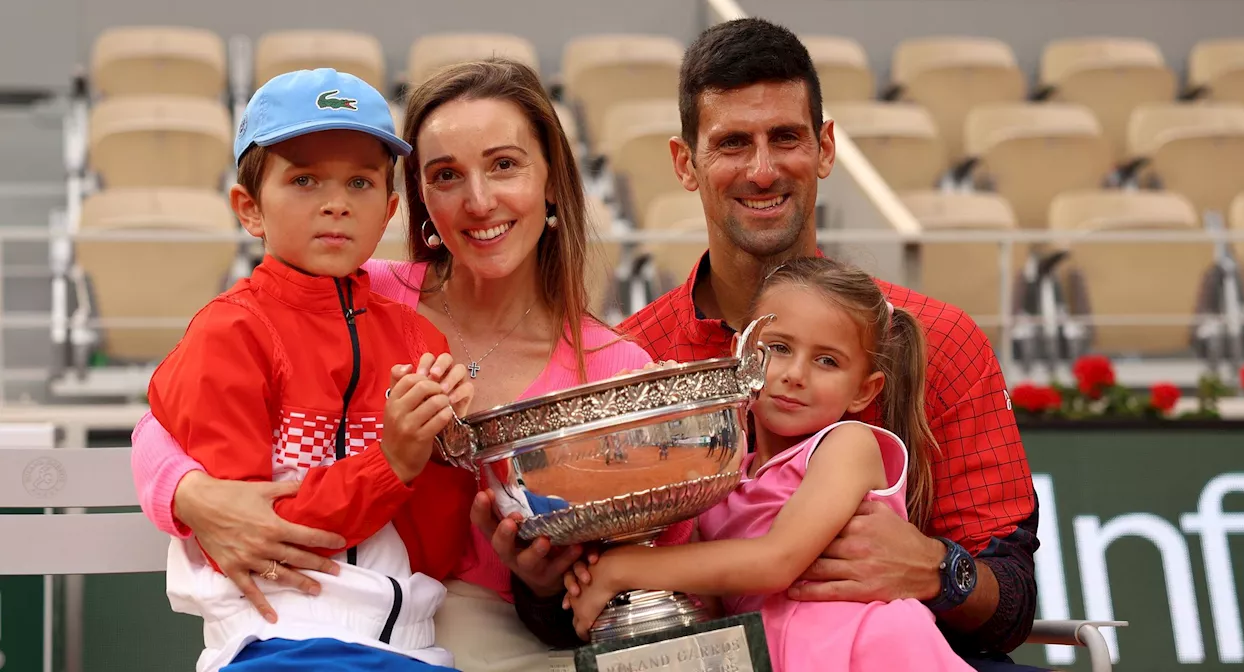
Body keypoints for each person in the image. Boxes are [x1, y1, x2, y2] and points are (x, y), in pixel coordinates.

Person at [503, 17, 1043, 671]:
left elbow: (1012, 605)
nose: (762, 170)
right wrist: (540, 583)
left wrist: (937, 569)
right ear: (685, 163)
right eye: (732, 143)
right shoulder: (631, 359)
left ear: (824, 148)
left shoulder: (939, 338)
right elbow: (578, 608)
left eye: (785, 138)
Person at [130, 59, 655, 671]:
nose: (479, 200)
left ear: (554, 181)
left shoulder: (616, 366)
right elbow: (165, 419)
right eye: (446, 174)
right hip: (299, 625)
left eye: (504, 165)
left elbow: (630, 584)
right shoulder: (349, 287)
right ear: (418, 201)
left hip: (477, 631)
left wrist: (534, 578)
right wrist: (189, 494)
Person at [147, 67, 478, 671]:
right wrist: (393, 462)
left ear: (389, 211)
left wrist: (446, 451)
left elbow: (437, 548)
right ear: (249, 209)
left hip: (413, 646)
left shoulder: (417, 336)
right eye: (303, 180)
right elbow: (252, 539)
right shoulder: (229, 332)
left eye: (359, 182)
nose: (335, 203)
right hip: (276, 641)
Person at [564, 257, 975, 671]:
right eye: (778, 348)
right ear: (740, 354)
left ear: (863, 391)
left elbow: (777, 562)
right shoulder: (719, 477)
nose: (795, 374)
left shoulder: (848, 445)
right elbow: (709, 603)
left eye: (827, 360)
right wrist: (608, 591)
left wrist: (625, 569)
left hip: (878, 653)